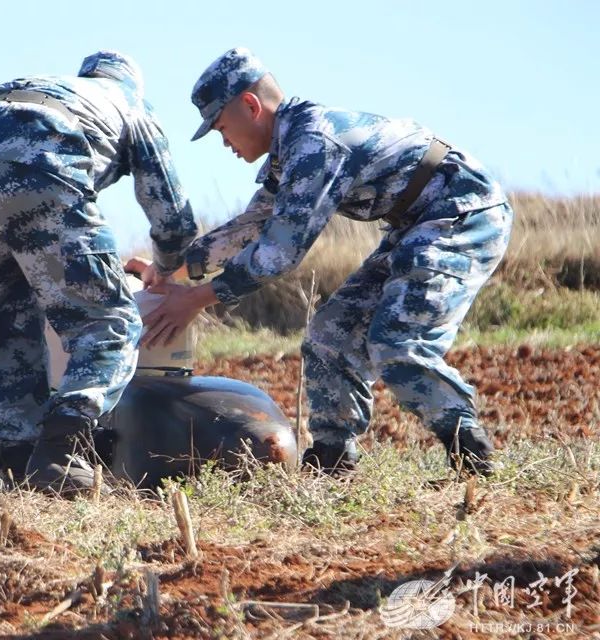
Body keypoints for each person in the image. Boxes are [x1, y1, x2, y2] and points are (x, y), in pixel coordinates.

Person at [135, 47, 512, 476]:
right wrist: (170, 270)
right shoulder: (291, 150)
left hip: (461, 213)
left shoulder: (315, 143)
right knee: (330, 336)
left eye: (222, 128)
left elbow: (279, 251)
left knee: (397, 343)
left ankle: (472, 453)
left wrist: (198, 298)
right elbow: (254, 225)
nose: (224, 143)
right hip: (414, 224)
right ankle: (333, 458)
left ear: (251, 105)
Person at [0, 51, 197, 492]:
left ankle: (19, 454)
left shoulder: (65, 89)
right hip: (43, 149)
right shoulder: (131, 104)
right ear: (133, 82)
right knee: (111, 322)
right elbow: (173, 217)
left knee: (7, 316)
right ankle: (62, 451)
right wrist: (164, 267)